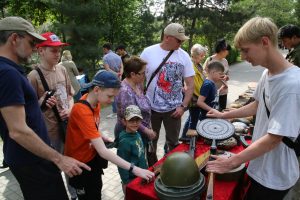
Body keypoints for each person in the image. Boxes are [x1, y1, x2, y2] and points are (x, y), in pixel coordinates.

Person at [206, 17, 300, 200]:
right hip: (260, 164)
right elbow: (257, 105)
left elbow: (274, 138)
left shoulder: (292, 85)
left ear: (264, 41)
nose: (242, 57)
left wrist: (232, 161)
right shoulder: (268, 72)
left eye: (245, 50)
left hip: (274, 175)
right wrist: (223, 115)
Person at [0, 16, 89, 200]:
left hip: (32, 155)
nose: (34, 48)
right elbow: (17, 130)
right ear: (14, 38)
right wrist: (59, 159)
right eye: (32, 42)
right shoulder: (7, 73)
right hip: (32, 159)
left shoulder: (11, 70)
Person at [64, 70, 154, 200]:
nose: (112, 101)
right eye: (110, 96)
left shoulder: (94, 103)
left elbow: (90, 126)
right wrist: (135, 169)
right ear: (96, 89)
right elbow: (103, 152)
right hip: (80, 164)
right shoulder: (81, 110)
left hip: (91, 158)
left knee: (96, 191)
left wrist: (99, 135)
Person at [140, 23, 195, 163]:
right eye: (179, 40)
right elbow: (139, 79)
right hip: (151, 108)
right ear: (167, 37)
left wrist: (183, 106)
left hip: (174, 110)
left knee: (173, 142)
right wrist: (140, 101)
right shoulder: (148, 52)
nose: (181, 43)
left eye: (183, 40)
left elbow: (190, 84)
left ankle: (172, 168)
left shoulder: (184, 56)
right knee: (150, 141)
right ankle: (153, 168)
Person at [27, 32, 74, 153]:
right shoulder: (33, 76)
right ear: (41, 51)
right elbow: (27, 110)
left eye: (59, 50)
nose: (58, 54)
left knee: (73, 166)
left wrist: (69, 110)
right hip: (50, 134)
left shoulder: (62, 69)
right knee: (55, 168)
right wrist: (41, 102)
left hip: (69, 127)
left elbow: (70, 95)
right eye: (53, 50)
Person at [114, 56, 156, 166]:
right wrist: (146, 130)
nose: (145, 75)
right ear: (132, 74)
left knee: (140, 162)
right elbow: (130, 118)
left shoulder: (137, 85)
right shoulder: (125, 91)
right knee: (132, 165)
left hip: (139, 131)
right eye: (142, 73)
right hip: (130, 135)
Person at [117, 105, 148, 195]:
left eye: (137, 120)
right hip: (132, 179)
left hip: (141, 174)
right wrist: (126, 182)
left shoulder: (136, 133)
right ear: (124, 121)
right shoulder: (124, 142)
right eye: (131, 120)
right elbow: (121, 164)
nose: (135, 123)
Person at [180, 44, 207, 142]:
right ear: (196, 55)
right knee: (194, 118)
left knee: (192, 116)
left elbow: (201, 79)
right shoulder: (191, 66)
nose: (203, 57)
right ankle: (189, 137)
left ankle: (185, 135)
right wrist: (202, 94)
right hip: (195, 96)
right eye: (202, 55)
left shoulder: (197, 65)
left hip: (197, 96)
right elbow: (194, 84)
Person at [203, 38, 231, 111]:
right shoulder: (210, 60)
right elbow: (203, 73)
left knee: (222, 111)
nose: (228, 53)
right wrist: (214, 77)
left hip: (223, 91)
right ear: (222, 50)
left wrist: (226, 77)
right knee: (212, 112)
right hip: (211, 91)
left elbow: (228, 74)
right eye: (227, 50)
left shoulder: (225, 61)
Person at [103, 43, 123, 119]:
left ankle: (115, 112)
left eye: (103, 49)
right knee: (119, 94)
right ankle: (121, 110)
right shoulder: (118, 56)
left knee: (113, 94)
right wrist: (120, 74)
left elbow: (107, 69)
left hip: (111, 78)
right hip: (119, 77)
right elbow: (121, 67)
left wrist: (115, 74)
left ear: (105, 48)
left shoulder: (105, 57)